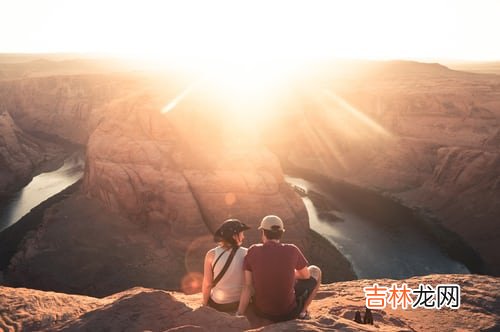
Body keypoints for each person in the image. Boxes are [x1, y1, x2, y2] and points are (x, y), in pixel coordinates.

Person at [236, 215, 321, 321]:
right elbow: (306, 276)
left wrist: (239, 314)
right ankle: (302, 313)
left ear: (263, 232)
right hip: (288, 313)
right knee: (315, 270)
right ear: (281, 233)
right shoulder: (292, 250)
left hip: (261, 312)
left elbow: (247, 286)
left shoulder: (253, 250)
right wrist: (290, 274)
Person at [202, 218, 250, 312]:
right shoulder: (247, 253)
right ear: (234, 236)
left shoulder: (211, 254)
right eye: (242, 234)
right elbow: (247, 285)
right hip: (237, 303)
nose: (243, 237)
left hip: (218, 304)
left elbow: (207, 284)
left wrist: (204, 304)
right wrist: (240, 313)